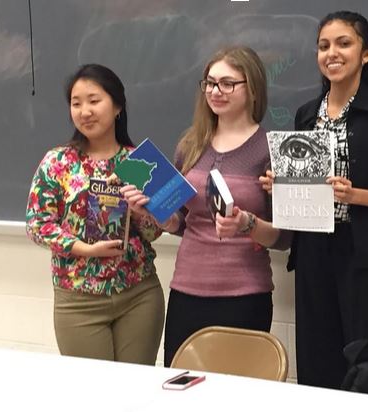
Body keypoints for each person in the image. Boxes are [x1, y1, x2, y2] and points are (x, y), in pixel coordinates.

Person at [260, 11, 368, 389]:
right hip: (313, 250)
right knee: (318, 360)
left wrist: (355, 195)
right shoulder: (306, 114)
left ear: (367, 54)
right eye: (323, 46)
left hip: (364, 253)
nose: (331, 53)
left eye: (343, 43)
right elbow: (304, 189)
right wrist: (280, 185)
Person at [121, 46, 286, 367]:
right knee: (181, 386)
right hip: (187, 289)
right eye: (209, 83)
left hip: (244, 293)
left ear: (252, 88)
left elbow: (285, 238)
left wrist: (246, 223)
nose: (215, 91)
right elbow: (182, 223)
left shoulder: (273, 149)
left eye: (227, 83)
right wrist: (156, 213)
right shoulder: (190, 144)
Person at [26, 64, 165, 364]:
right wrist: (86, 249)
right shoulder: (58, 162)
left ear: (117, 106)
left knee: (137, 391)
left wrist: (141, 212)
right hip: (78, 300)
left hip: (138, 293)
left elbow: (156, 232)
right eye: (76, 103)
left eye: (94, 100)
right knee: (92, 396)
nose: (84, 111)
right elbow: (38, 225)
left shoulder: (139, 161)